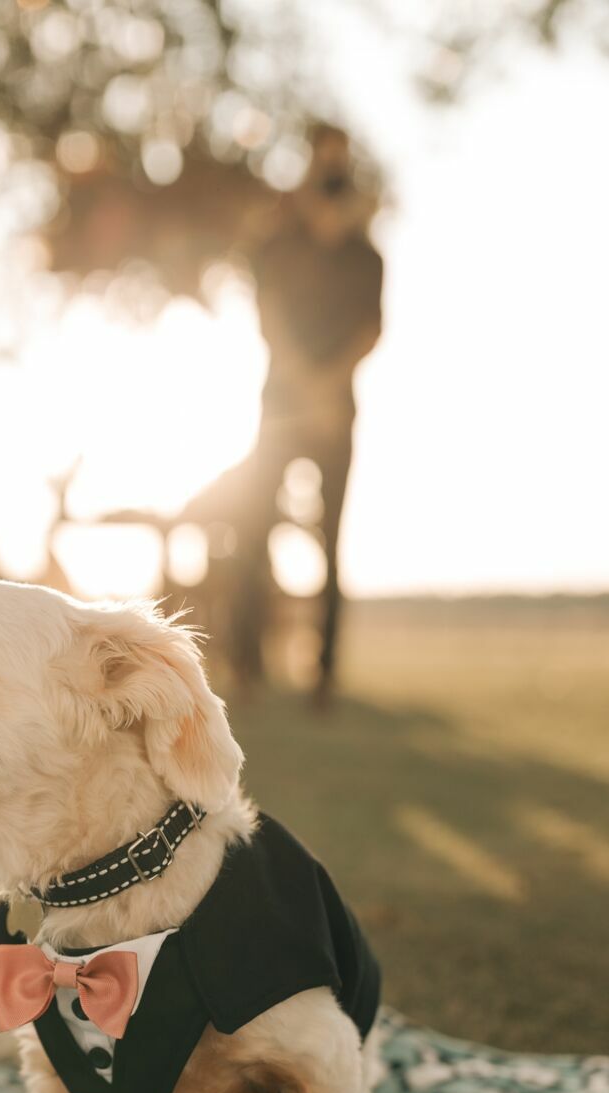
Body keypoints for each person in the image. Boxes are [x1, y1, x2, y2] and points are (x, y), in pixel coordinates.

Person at [188, 124, 383, 700]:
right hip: (281, 413)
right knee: (254, 534)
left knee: (331, 543)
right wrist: (306, 384)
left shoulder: (366, 254)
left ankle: (324, 674)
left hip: (335, 414)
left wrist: (326, 389)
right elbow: (269, 318)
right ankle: (247, 667)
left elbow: (371, 329)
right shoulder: (277, 245)